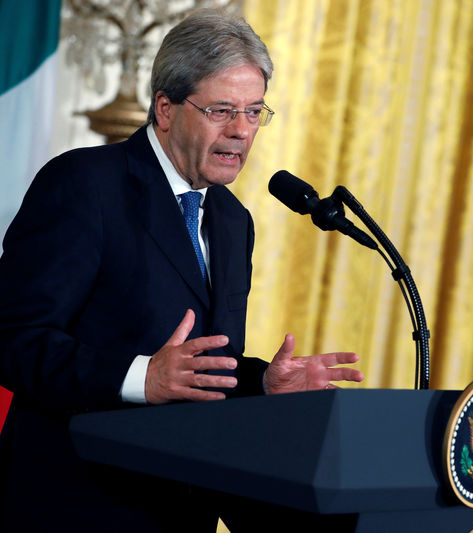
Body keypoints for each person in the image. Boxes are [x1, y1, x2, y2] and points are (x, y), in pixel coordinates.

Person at [0, 9, 363, 532]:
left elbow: (202, 368)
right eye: (222, 110)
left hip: (181, 511)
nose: (242, 131)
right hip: (75, 505)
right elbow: (15, 340)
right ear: (165, 109)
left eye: (255, 112)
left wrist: (262, 381)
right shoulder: (85, 186)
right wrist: (141, 377)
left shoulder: (232, 219)